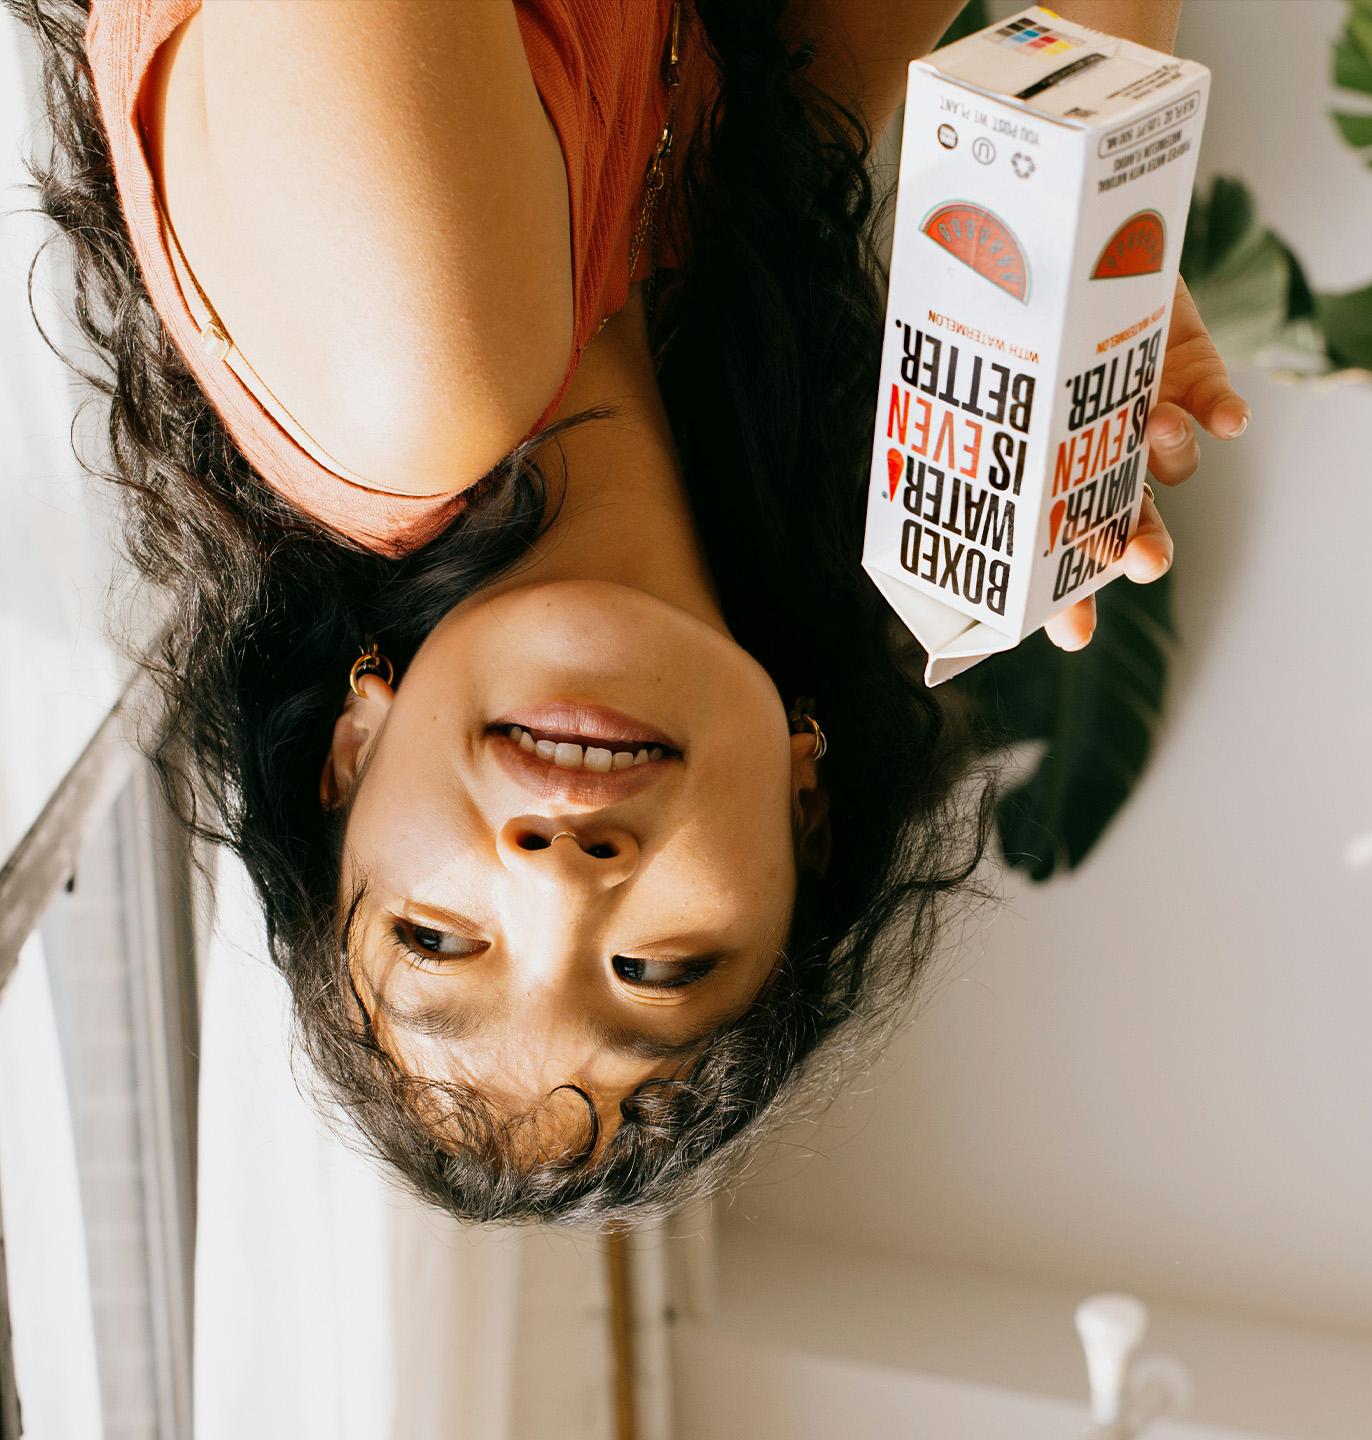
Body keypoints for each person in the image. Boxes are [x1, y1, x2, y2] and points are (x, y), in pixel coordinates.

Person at [10, 0, 1249, 1223]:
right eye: (655, 971)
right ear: (806, 818)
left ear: (353, 754)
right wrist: (1098, 210)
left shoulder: (418, 384)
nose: (559, 879)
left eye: (435, 940)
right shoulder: (726, 188)